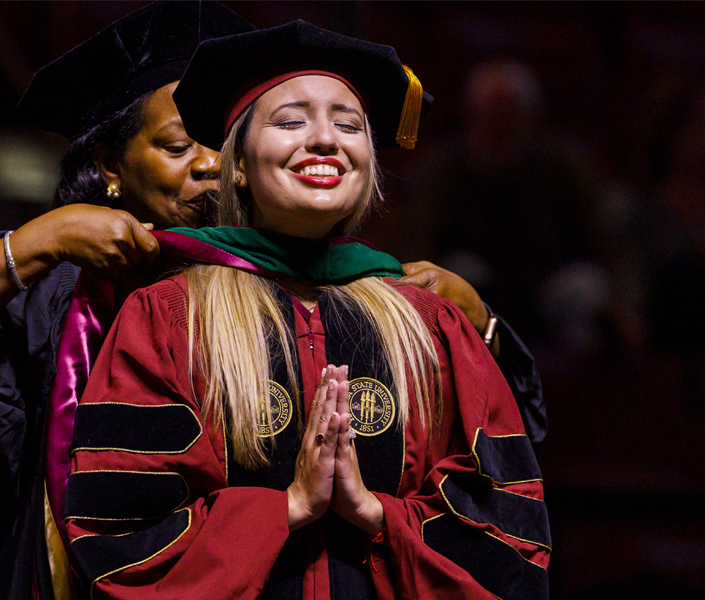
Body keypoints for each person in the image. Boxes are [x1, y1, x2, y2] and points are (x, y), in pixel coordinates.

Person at [0, 3, 541, 598]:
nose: (206, 164)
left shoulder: (342, 294)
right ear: (110, 165)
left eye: (221, 142)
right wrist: (33, 248)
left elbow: (487, 482)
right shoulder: (63, 289)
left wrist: (481, 325)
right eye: (177, 146)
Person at [65, 19, 550, 600]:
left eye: (348, 125)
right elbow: (120, 535)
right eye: (290, 121)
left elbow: (511, 540)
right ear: (236, 164)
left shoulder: (428, 323)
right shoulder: (170, 317)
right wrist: (287, 509)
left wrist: (373, 514)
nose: (325, 140)